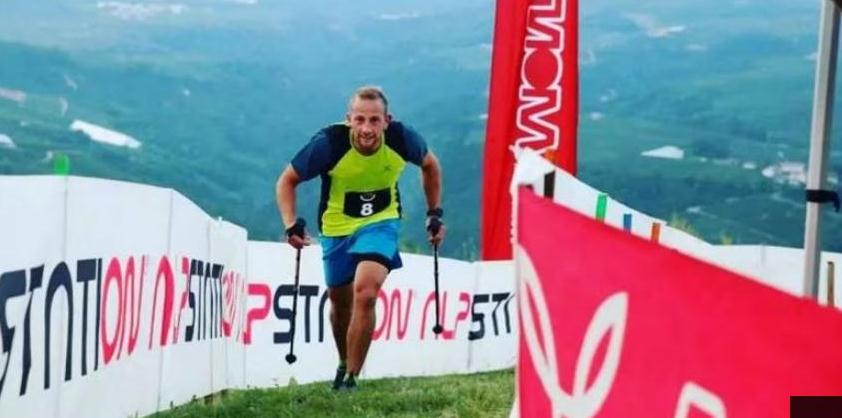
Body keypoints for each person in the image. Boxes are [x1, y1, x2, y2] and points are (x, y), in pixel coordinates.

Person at [275, 85, 445, 390]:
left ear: (387, 120)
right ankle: (343, 362)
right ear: (349, 120)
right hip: (336, 227)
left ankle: (352, 379)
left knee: (366, 293)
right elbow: (287, 181)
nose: (367, 128)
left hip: (381, 223)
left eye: (374, 120)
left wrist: (434, 213)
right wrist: (290, 225)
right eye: (360, 120)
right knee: (340, 305)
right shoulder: (329, 144)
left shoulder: (402, 139)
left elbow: (430, 166)